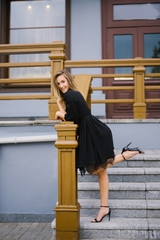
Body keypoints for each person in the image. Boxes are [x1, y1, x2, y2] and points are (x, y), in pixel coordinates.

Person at [53, 69, 144, 223]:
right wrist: (59, 105)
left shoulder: (70, 95)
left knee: (96, 169)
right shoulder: (72, 95)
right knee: (101, 171)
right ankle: (104, 207)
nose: (61, 85)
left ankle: (125, 155)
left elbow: (70, 118)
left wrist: (59, 112)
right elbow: (72, 118)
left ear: (68, 80)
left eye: (63, 81)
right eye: (58, 84)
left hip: (93, 133)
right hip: (95, 130)